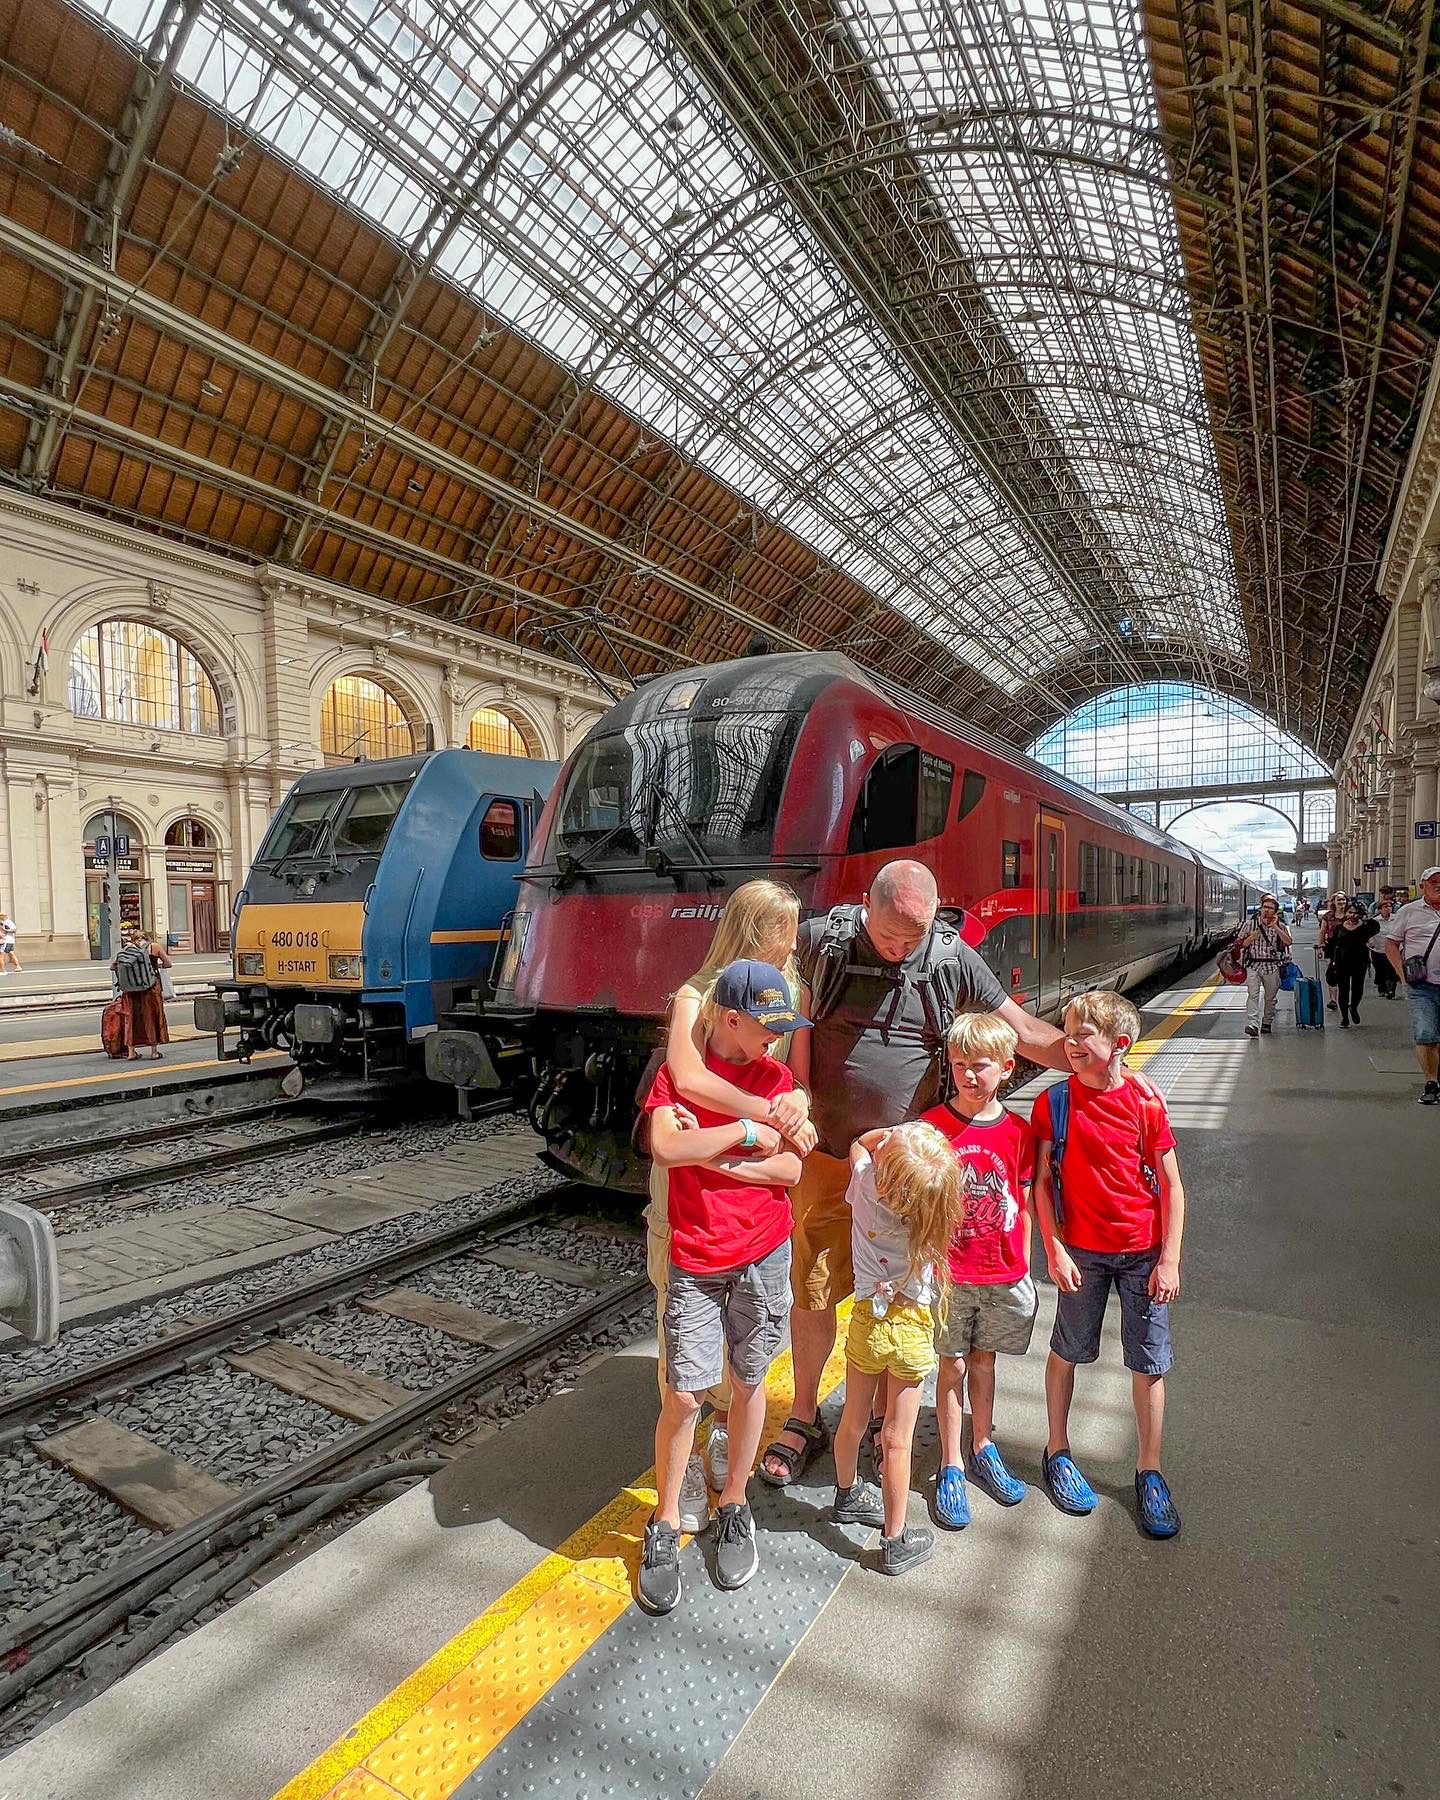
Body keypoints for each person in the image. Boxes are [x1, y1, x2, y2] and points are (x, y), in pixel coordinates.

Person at [760, 858, 1086, 1487]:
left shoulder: (948, 956)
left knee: (905, 1299)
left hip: (916, 1171)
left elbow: (1017, 1031)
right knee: (817, 1288)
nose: (902, 949)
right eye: (890, 937)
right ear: (863, 905)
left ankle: (886, 1421)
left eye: (914, 938)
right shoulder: (821, 944)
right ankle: (804, 1415)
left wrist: (1086, 1061)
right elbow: (760, 1009)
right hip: (830, 1159)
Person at [636, 960, 811, 1616]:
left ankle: (733, 1502)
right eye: (765, 1027)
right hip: (697, 1258)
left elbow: (791, 1165)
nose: (775, 1040)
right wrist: (743, 1137)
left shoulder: (777, 1081)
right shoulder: (679, 1076)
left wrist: (710, 1151)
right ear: (728, 1018)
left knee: (748, 1380)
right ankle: (664, 1521)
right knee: (683, 1396)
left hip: (762, 1254)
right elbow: (665, 1149)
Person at [1031, 991, 1188, 1539]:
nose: (1069, 1044)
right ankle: (1057, 1448)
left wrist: (1169, 1259)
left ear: (1120, 1045)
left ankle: (1149, 1469)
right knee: (1067, 1349)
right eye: (1066, 1033)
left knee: (1149, 1363)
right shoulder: (1054, 1103)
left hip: (1143, 1253)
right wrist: (1052, 1248)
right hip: (1082, 1253)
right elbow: (1042, 1184)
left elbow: (1171, 1185)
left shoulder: (1146, 1103)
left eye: (1081, 1036)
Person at [829, 1119, 964, 1574]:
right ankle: (894, 1540)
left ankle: (846, 1494)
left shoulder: (866, 1185)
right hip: (910, 1329)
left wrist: (885, 1134)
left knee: (852, 1420)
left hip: (868, 1321)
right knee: (896, 1440)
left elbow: (856, 1142)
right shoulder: (932, 1213)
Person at [919, 1013, 1036, 1526]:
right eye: (960, 1065)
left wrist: (1026, 1265)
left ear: (1007, 1068)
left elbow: (1023, 1200)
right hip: (950, 1273)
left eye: (981, 1066)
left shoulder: (1019, 1132)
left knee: (985, 1361)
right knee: (951, 1366)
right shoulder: (932, 1127)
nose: (969, 1076)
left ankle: (983, 1443)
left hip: (1000, 1270)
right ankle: (951, 1462)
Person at [1382, 866, 1440, 1105]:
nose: (1438, 885)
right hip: (1421, 985)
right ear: (1423, 886)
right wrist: (1402, 975)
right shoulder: (1409, 911)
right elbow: (1391, 944)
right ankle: (1431, 1083)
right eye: (1433, 881)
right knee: (1426, 1034)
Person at [110, 922, 171, 1060]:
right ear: (148, 938)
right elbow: (168, 963)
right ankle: (154, 1052)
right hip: (150, 987)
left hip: (130, 990)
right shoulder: (154, 947)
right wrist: (155, 967)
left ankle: (131, 1052)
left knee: (131, 1018)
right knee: (152, 1016)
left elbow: (113, 967)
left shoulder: (126, 949)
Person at [1235, 893, 1292, 1037]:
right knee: (1253, 995)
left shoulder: (1281, 926)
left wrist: (1276, 927)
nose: (1266, 910)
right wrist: (1251, 938)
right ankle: (1252, 1024)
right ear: (1260, 909)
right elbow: (1240, 944)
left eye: (1270, 908)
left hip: (1272, 967)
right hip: (1253, 964)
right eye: (1264, 907)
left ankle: (1267, 1021)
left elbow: (1288, 942)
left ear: (1275, 911)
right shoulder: (1250, 925)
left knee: (1270, 998)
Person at [1328, 902, 1379, 1026]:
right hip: (1342, 962)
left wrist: (1371, 941)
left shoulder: (1366, 926)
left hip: (1360, 961)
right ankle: (1344, 1018)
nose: (1352, 915)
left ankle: (1354, 1007)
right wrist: (1329, 958)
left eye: (1355, 912)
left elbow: (1372, 935)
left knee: (1357, 989)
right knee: (1343, 990)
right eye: (1350, 912)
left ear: (1360, 914)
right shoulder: (1339, 928)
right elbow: (1333, 944)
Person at [1318, 896, 1347, 1012]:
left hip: (1348, 946)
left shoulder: (1350, 913)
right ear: (1334, 902)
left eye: (1343, 899)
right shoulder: (1328, 916)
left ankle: (1344, 998)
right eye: (1339, 900)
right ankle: (1333, 999)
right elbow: (1322, 931)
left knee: (1345, 973)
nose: (1341, 902)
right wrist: (1320, 945)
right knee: (1332, 972)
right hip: (1331, 947)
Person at [1371, 894, 1399, 998]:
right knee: (1380, 970)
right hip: (1378, 949)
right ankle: (1382, 988)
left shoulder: (1396, 919)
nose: (1388, 909)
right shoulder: (1375, 921)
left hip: (1393, 949)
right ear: (1380, 909)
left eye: (1390, 907)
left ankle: (1391, 990)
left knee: (1392, 970)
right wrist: (1370, 942)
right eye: (1385, 907)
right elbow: (1370, 934)